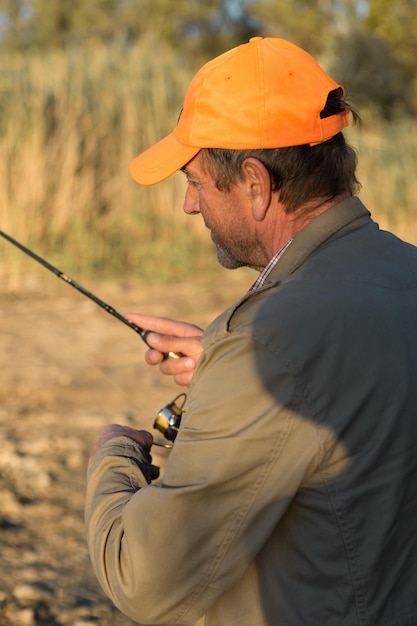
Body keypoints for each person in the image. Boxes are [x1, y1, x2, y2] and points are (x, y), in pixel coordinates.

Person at [85, 37, 417, 625]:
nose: (189, 205)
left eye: (196, 182)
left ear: (257, 183)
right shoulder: (405, 271)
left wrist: (114, 454)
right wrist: (225, 365)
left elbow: (144, 578)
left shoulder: (270, 338)